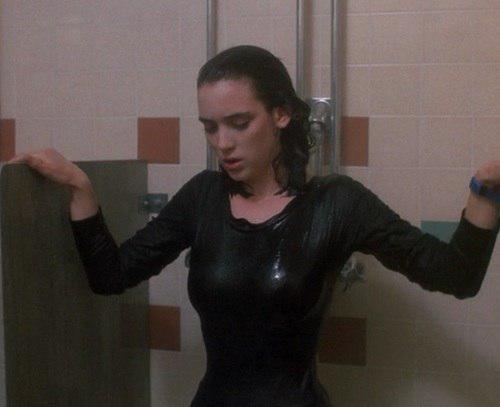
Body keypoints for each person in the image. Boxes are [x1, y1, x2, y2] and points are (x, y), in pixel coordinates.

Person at [7, 45, 500, 406]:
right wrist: (81, 189)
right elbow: (111, 275)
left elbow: (456, 274)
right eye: (210, 127)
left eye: (239, 123)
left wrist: (485, 190)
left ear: (281, 114)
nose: (222, 143)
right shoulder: (202, 197)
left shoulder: (336, 204)